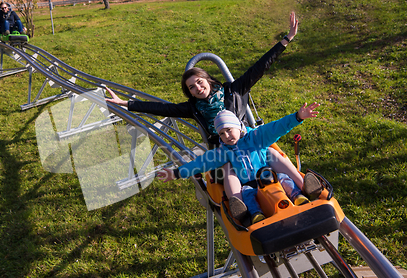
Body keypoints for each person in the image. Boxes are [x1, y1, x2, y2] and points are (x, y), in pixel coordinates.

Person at [106, 12, 308, 195]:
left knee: (273, 154)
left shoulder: (233, 90)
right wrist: (125, 103)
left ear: (208, 80)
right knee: (228, 169)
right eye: (192, 88)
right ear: (190, 93)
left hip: (249, 141)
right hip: (225, 151)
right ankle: (241, 203)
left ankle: (303, 186)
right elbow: (161, 108)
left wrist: (286, 39)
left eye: (199, 82)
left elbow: (259, 67)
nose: (197, 88)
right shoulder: (193, 108)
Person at [156, 103, 320, 224]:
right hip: (248, 184)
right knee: (247, 193)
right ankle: (250, 214)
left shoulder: (256, 137)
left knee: (283, 176)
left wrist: (297, 117)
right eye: (222, 133)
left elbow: (275, 128)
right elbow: (201, 163)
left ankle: (300, 194)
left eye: (229, 130)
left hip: (270, 176)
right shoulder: (223, 152)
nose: (226, 135)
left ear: (238, 127)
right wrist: (176, 173)